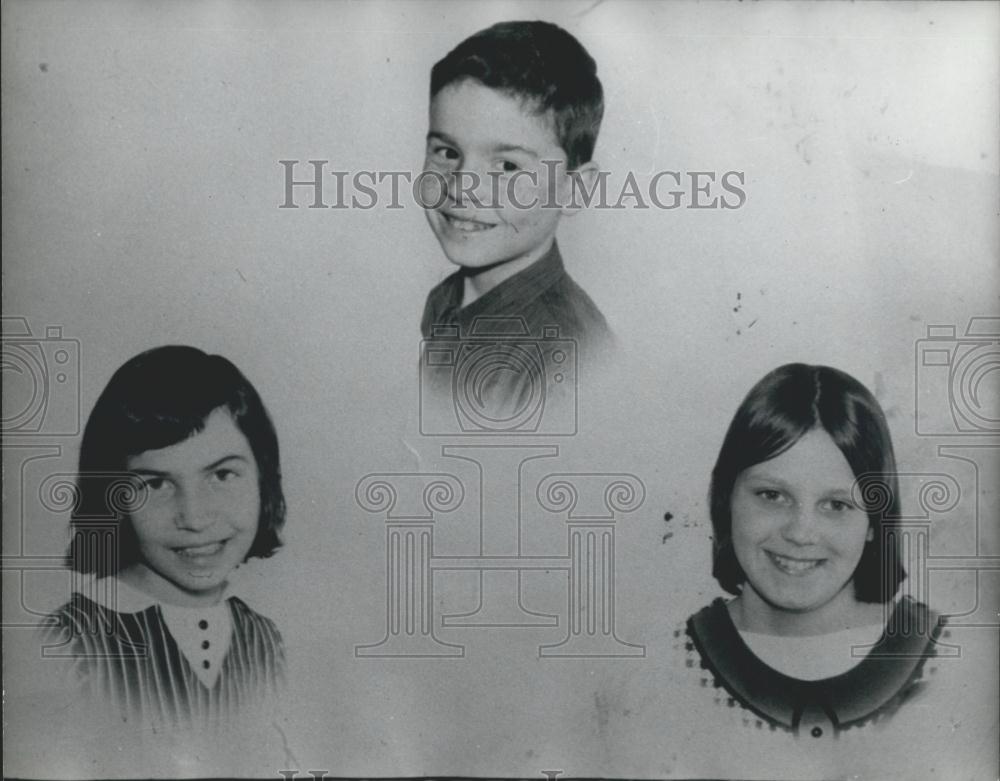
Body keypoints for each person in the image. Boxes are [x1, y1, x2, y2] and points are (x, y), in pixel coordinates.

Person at [682, 363, 947, 742]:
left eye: (836, 505)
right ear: (727, 501)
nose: (801, 533)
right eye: (772, 496)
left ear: (874, 521)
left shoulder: (955, 662)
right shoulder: (666, 665)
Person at [41, 345, 287, 731]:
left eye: (222, 475)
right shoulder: (68, 645)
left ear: (262, 479)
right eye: (155, 484)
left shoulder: (263, 640)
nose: (194, 517)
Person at [418, 20, 613, 429]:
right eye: (447, 152)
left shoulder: (568, 357)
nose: (462, 187)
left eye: (507, 166)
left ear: (574, 189)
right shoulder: (447, 300)